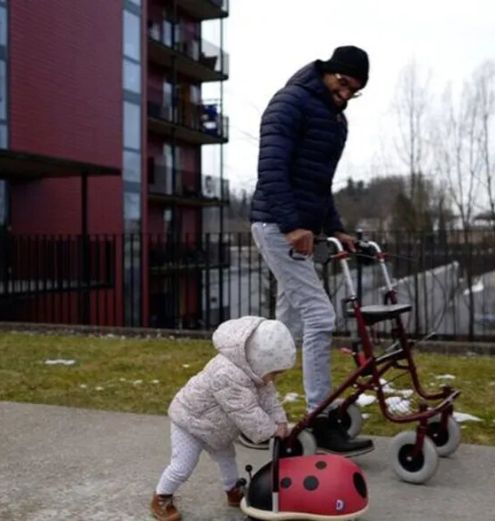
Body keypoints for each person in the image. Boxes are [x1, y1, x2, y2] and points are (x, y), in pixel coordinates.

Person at [249, 45, 374, 456]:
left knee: (285, 328)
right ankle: (320, 418)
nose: (344, 96)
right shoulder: (290, 102)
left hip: (299, 230)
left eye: (353, 92)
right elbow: (271, 168)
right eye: (342, 85)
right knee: (320, 315)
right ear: (328, 71)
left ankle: (243, 402)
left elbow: (319, 186)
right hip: (277, 226)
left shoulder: (336, 120)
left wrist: (335, 227)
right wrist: (291, 225)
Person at [150, 316, 296, 521]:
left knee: (227, 458)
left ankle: (232, 490)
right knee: (182, 466)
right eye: (273, 373)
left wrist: (279, 421)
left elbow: (269, 399)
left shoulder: (256, 374)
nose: (273, 379)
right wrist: (271, 431)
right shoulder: (227, 374)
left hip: (216, 429)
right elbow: (245, 411)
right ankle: (161, 496)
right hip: (190, 423)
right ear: (259, 361)